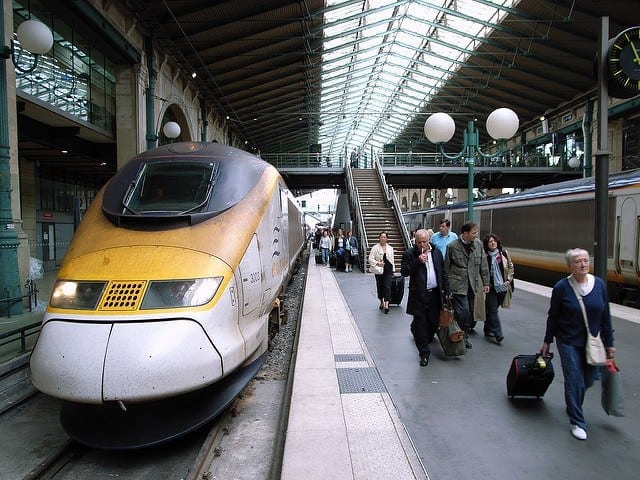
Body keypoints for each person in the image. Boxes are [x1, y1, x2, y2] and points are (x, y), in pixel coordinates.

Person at [540, 248, 615, 441]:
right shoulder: (561, 288)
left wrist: (610, 342)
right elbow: (553, 316)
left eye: (585, 261)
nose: (583, 264)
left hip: (593, 341)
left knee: (588, 380)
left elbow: (605, 314)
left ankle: (573, 404)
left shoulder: (599, 285)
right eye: (578, 261)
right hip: (568, 341)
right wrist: (547, 341)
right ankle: (577, 421)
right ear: (569, 266)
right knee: (574, 379)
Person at [401, 229, 450, 366]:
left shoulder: (437, 253)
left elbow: (442, 272)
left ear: (429, 241)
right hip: (419, 296)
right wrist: (417, 262)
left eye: (424, 241)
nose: (422, 245)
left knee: (433, 323)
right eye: (419, 242)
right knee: (421, 325)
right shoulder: (410, 254)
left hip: (434, 294)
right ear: (415, 242)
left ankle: (424, 338)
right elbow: (404, 271)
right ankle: (424, 353)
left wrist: (447, 290)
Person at [444, 221, 489, 349]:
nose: (476, 235)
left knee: (468, 313)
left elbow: (483, 265)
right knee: (464, 311)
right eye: (474, 233)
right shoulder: (452, 246)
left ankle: (462, 335)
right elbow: (446, 268)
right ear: (465, 233)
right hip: (458, 285)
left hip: (472, 285)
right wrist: (446, 288)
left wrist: (486, 283)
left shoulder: (478, 245)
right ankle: (460, 335)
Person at [483, 233, 514, 344]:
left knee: (494, 310)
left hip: (502, 287)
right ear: (487, 244)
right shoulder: (484, 256)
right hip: (490, 288)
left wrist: (508, 280)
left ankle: (487, 329)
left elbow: (510, 267)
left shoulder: (504, 254)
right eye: (490, 241)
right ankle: (498, 334)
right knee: (492, 310)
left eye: (494, 241)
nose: (493, 243)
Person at [368, 231, 395, 314]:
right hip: (379, 269)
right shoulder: (375, 248)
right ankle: (381, 301)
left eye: (384, 237)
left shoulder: (390, 248)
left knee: (388, 286)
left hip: (388, 269)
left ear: (387, 238)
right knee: (380, 287)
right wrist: (378, 263)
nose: (383, 238)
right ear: (379, 238)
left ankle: (387, 304)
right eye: (381, 237)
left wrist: (393, 270)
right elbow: (370, 259)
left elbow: (392, 260)